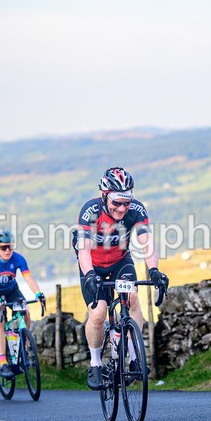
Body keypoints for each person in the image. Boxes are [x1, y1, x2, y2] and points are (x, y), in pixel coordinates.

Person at [75, 167, 168, 390]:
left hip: (120, 261)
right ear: (104, 195)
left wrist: (154, 270)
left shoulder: (136, 210)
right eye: (116, 202)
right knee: (98, 314)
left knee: (132, 296)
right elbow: (83, 250)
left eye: (126, 202)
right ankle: (96, 362)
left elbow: (146, 242)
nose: (122, 208)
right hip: (93, 266)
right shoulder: (90, 211)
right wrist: (89, 275)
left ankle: (135, 356)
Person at [0, 230, 46, 379]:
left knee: (26, 313)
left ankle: (24, 349)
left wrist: (38, 294)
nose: (8, 250)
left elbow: (29, 279)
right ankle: (3, 362)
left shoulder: (18, 259)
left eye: (10, 247)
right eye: (3, 248)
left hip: (12, 291)